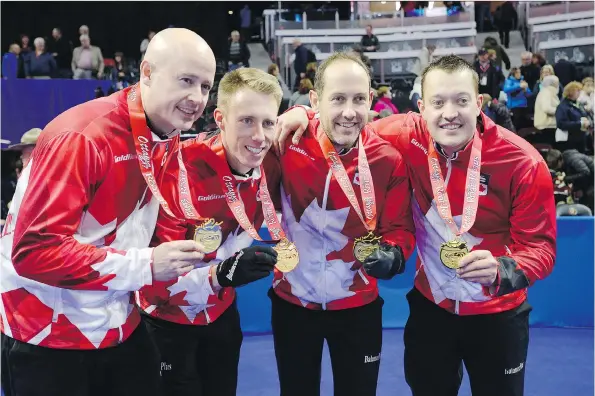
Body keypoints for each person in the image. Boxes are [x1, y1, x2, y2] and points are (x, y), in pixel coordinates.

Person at [276, 54, 556, 396]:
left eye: (461, 101)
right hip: (431, 311)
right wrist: (303, 113)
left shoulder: (523, 162)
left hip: (498, 314)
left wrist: (504, 268)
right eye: (438, 102)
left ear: (479, 103)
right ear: (422, 107)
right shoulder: (403, 135)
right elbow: (347, 124)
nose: (449, 113)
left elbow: (541, 247)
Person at [0, 28, 216, 396]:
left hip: (120, 325)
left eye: (205, 87)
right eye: (186, 81)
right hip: (48, 335)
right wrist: (145, 266)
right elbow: (34, 253)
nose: (196, 98)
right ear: (146, 73)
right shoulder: (83, 136)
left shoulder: (165, 134)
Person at [271, 52, 416, 396]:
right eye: (338, 99)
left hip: (358, 306)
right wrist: (294, 114)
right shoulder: (288, 143)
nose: (350, 112)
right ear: (315, 100)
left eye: (359, 99)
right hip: (293, 303)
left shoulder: (387, 159)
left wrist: (394, 254)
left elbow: (399, 228)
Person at [137, 67, 283, 396]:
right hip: (166, 323)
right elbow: (157, 277)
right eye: (246, 120)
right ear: (220, 118)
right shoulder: (180, 169)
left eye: (268, 122)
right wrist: (220, 275)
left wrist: (303, 111)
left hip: (221, 316)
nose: (259, 136)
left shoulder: (271, 162)